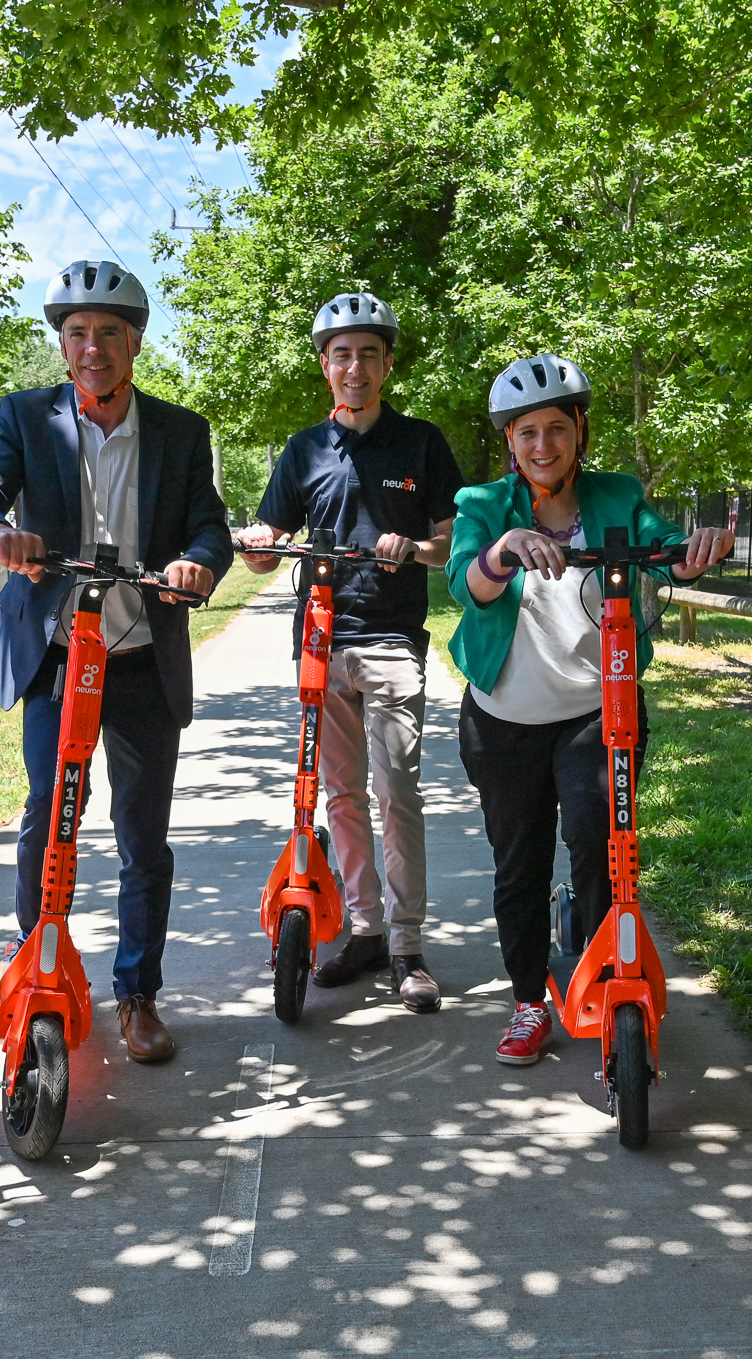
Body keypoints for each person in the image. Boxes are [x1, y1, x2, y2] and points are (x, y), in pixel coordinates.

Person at [0, 261, 230, 1063]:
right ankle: (36, 961)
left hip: (141, 654)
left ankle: (137, 990)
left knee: (143, 835)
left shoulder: (181, 431)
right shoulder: (24, 416)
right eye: (77, 333)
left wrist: (199, 564)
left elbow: (209, 526)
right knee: (49, 812)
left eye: (108, 332)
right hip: (54, 651)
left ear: (134, 342)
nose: (92, 348)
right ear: (62, 343)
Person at [444, 355, 730, 1064]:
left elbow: (664, 553)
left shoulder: (616, 495)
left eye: (556, 430)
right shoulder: (483, 505)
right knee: (521, 862)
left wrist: (689, 557)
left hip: (596, 712)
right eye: (527, 433)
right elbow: (464, 585)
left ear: (580, 430)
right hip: (503, 716)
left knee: (605, 853)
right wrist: (505, 549)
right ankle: (528, 1001)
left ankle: (606, 981)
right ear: (510, 441)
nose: (543, 446)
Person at [237, 292, 464, 1013]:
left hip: (391, 640)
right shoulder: (305, 448)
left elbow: (451, 543)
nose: (355, 366)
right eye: (342, 354)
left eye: (369, 352)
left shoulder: (421, 442)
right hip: (320, 643)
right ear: (325, 365)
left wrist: (414, 546)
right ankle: (363, 926)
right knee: (339, 796)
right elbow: (267, 555)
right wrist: (258, 546)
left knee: (395, 792)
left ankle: (407, 944)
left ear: (387, 362)